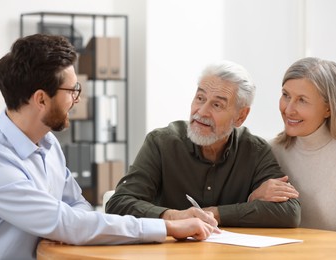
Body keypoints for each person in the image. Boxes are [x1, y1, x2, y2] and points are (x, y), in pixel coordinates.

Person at [0, 34, 216, 260]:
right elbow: (64, 221)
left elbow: (76, 205)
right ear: (41, 99)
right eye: (73, 90)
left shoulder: (48, 142)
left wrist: (75, 230)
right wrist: (168, 227)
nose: (77, 99)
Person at [105, 60, 301, 228]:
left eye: (217, 105)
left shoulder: (255, 150)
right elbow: (118, 204)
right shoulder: (161, 142)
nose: (201, 112)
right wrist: (175, 216)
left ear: (240, 116)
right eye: (200, 98)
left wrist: (214, 213)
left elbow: (289, 212)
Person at [269, 57, 336, 237]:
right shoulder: (272, 150)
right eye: (286, 95)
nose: (288, 109)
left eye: (302, 100)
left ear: (328, 108)